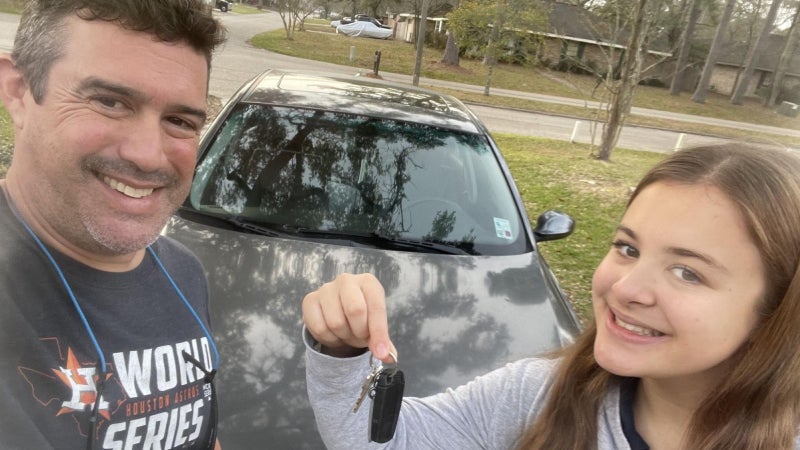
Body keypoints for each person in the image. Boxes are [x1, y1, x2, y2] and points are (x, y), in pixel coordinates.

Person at [302, 143, 800, 449]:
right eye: (627, 247)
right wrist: (342, 352)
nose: (625, 289)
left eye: (687, 273)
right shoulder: (539, 396)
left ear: (775, 311)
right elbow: (387, 443)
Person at [0, 1, 226, 448]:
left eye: (179, 121)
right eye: (109, 101)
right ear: (19, 91)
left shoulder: (183, 272)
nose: (147, 154)